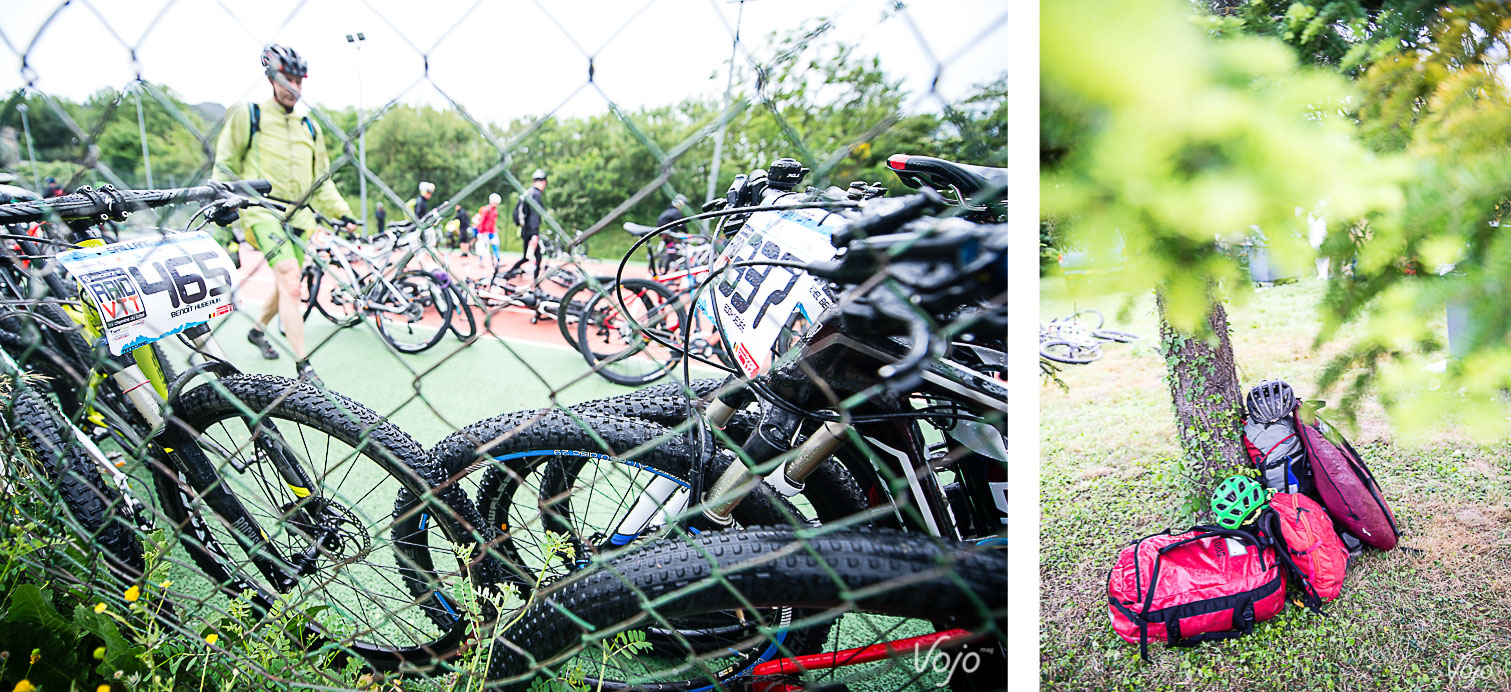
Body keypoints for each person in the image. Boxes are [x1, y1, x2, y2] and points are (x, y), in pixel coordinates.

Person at [212, 44, 357, 382]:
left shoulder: (310, 127)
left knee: (286, 284)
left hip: (302, 217)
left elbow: (321, 180)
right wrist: (222, 200)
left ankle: (258, 329)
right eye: (286, 79)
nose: (294, 87)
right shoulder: (249, 115)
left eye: (299, 80)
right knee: (291, 280)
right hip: (263, 212)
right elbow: (226, 163)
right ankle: (304, 366)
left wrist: (343, 213)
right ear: (271, 78)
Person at [505, 169, 548, 282]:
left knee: (526, 257)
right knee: (538, 257)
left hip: (525, 230)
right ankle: (535, 282)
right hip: (531, 231)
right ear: (543, 182)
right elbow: (534, 215)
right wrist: (534, 234)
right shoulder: (536, 194)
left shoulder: (528, 193)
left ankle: (509, 274)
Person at [476, 193, 501, 268]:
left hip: (492, 231)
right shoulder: (486, 209)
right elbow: (482, 221)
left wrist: (494, 228)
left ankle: (498, 261)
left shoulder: (495, 211)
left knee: (496, 245)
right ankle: (480, 261)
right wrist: (480, 231)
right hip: (484, 232)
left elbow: (493, 222)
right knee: (481, 246)